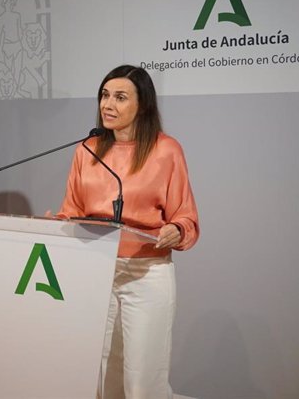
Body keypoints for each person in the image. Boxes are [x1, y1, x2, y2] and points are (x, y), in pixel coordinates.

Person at [57, 65, 199, 399]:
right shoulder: (87, 150)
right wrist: (57, 225)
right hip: (96, 272)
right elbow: (71, 210)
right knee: (103, 373)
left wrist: (176, 230)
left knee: (142, 380)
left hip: (146, 274)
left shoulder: (167, 150)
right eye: (105, 95)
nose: (108, 104)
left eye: (120, 97)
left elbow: (186, 217)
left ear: (143, 105)